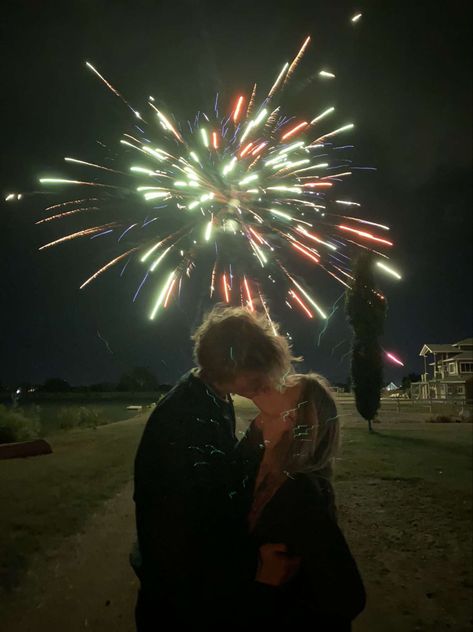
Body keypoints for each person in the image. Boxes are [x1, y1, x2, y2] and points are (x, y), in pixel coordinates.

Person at [132, 304, 298, 630]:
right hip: (180, 602)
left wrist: (256, 435)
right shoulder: (182, 418)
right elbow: (195, 522)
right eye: (257, 372)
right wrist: (256, 569)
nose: (265, 379)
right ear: (230, 365)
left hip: (194, 587)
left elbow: (220, 474)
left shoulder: (212, 395)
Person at [237, 372, 366, 629]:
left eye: (283, 386)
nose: (273, 383)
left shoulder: (302, 494)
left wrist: (264, 584)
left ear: (293, 419)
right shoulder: (256, 465)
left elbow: (349, 598)